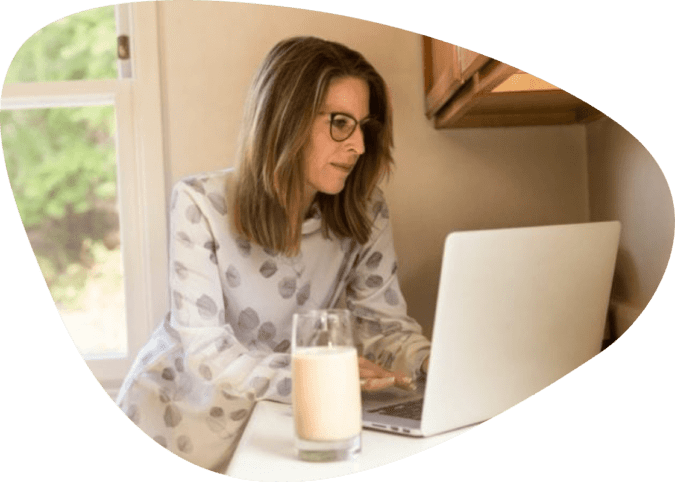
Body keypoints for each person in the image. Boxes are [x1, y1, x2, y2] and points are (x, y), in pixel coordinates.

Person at [116, 36, 430, 472]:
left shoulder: (364, 211)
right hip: (172, 426)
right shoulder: (198, 203)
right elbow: (206, 352)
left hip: (271, 426)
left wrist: (431, 360)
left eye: (363, 126)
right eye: (340, 123)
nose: (358, 145)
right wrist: (323, 379)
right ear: (285, 119)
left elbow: (383, 328)